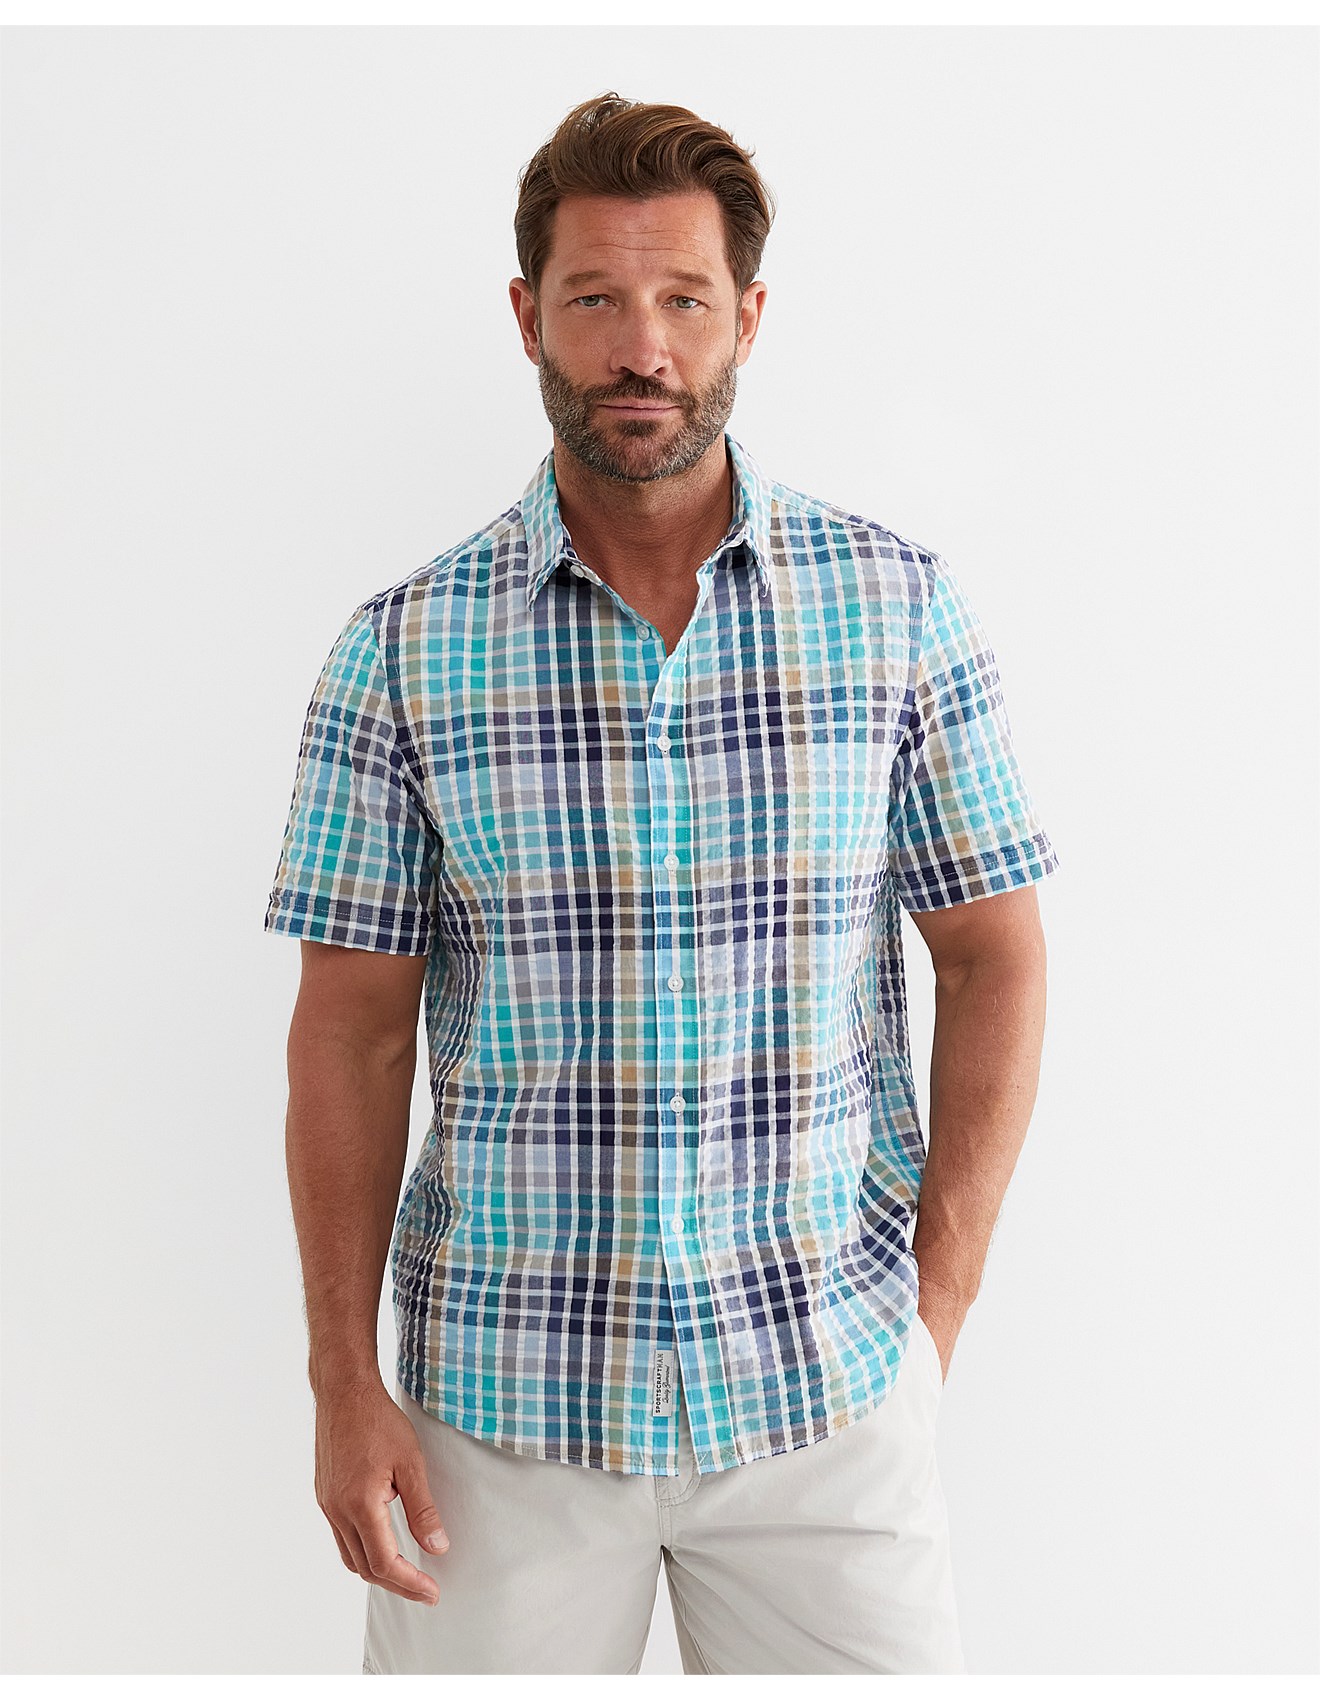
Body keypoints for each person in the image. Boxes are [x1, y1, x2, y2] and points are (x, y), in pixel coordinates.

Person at [263, 90, 1060, 1677]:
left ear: (747, 318)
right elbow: (349, 1034)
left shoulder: (896, 610)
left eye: (685, 300)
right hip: (499, 1419)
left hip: (826, 1398)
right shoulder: (401, 651)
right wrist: (343, 1385)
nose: (643, 348)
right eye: (596, 300)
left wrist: (936, 1319)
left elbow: (997, 957)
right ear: (528, 318)